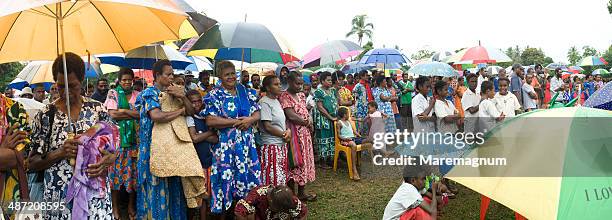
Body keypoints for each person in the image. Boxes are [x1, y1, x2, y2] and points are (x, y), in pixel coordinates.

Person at [28, 52, 115, 218]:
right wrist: (60, 152)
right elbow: (32, 163)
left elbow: (112, 151)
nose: (66, 92)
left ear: (81, 81)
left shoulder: (98, 110)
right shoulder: (46, 115)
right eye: (61, 86)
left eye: (72, 86)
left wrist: (106, 161)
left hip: (94, 199)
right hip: (59, 200)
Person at [134, 59, 195, 219]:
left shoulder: (174, 93)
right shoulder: (148, 94)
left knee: (173, 192)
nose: (171, 77)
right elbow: (156, 116)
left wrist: (184, 97)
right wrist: (180, 111)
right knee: (155, 192)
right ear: (157, 76)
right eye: (168, 74)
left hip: (172, 151)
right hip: (152, 151)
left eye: (172, 74)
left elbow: (190, 112)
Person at [202, 60, 262, 216]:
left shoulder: (245, 91)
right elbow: (210, 120)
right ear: (220, 76)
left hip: (247, 145)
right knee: (227, 179)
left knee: (246, 176)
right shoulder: (215, 94)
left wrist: (250, 120)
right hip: (226, 146)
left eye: (232, 73)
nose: (230, 77)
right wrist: (236, 122)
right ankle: (227, 213)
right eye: (226, 74)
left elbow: (257, 112)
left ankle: (245, 210)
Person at [104, 67, 140, 220]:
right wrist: (129, 113)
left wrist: (122, 111)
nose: (127, 82)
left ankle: (131, 205)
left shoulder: (138, 95)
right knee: (115, 175)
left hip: (134, 142)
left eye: (129, 80)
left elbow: (140, 114)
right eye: (124, 80)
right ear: (119, 80)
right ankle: (115, 207)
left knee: (133, 175)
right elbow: (112, 114)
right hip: (117, 141)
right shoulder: (113, 93)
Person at [279, 71, 317, 202]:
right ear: (289, 82)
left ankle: (302, 192)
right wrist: (306, 122)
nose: (300, 86)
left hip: (304, 134)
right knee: (294, 161)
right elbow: (290, 115)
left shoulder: (301, 95)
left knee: (304, 161)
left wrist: (310, 122)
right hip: (294, 134)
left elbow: (305, 111)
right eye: (297, 83)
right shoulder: (285, 96)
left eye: (301, 83)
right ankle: (292, 194)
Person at [186, 89, 219, 219]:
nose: (197, 104)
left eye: (199, 101)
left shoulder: (208, 116)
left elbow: (216, 139)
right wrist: (210, 133)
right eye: (193, 102)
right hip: (197, 163)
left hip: (210, 161)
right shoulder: (189, 118)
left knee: (208, 194)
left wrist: (201, 135)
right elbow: (194, 138)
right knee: (197, 196)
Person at [0, 90, 29, 218]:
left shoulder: (15, 110)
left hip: (10, 202)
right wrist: (4, 148)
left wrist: (7, 154)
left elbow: (18, 158)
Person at [258, 75, 290, 186]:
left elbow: (281, 122)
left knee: (280, 176)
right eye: (276, 84)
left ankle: (280, 200)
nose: (279, 86)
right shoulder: (264, 102)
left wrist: (288, 131)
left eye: (280, 84)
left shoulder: (276, 101)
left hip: (281, 144)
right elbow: (267, 126)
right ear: (268, 88)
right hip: (271, 146)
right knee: (272, 178)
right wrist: (284, 133)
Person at [234, 185, 307, 220]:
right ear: (270, 201)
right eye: (278, 208)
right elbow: (239, 211)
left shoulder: (290, 199)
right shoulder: (258, 194)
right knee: (249, 213)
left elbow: (302, 212)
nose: (280, 210)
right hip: (260, 216)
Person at [313, 72, 338, 169]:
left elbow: (336, 102)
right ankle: (322, 161)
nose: (330, 82)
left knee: (332, 138)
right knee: (323, 139)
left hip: (333, 118)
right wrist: (329, 117)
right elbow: (320, 107)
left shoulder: (332, 91)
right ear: (322, 81)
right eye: (328, 80)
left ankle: (330, 159)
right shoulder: (319, 92)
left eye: (331, 80)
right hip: (323, 120)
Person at [337, 107, 370, 181]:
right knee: (353, 145)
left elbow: (354, 131)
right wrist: (345, 139)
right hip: (345, 140)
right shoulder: (339, 123)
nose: (349, 114)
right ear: (345, 115)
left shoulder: (348, 121)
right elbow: (339, 135)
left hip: (353, 138)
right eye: (348, 113)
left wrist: (359, 135)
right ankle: (354, 169)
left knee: (369, 140)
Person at [352, 70, 372, 135]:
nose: (367, 77)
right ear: (361, 76)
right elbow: (354, 96)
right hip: (360, 108)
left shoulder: (367, 85)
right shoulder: (358, 86)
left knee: (366, 123)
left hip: (366, 107)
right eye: (366, 75)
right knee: (360, 124)